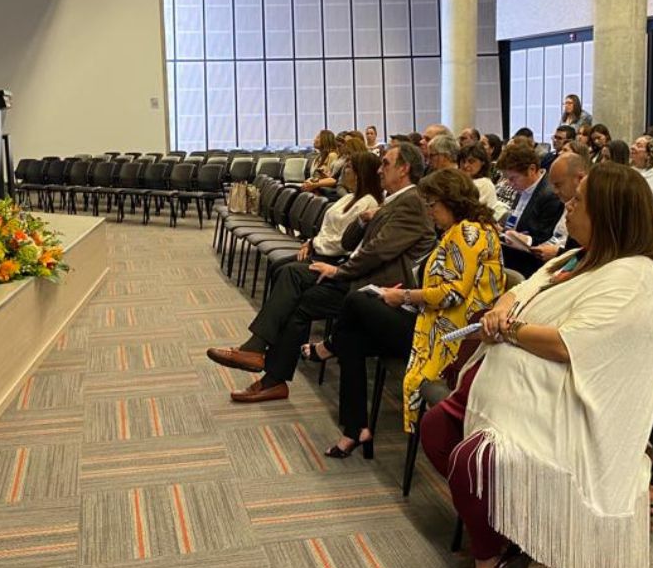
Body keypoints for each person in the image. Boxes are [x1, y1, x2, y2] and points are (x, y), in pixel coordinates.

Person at [420, 163, 653, 568]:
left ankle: (489, 558)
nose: (567, 207)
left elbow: (567, 344)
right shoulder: (577, 258)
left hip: (567, 408)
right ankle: (509, 529)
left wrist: (510, 331)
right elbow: (521, 292)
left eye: (578, 203)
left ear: (609, 216)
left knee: (471, 460)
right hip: (510, 386)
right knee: (438, 430)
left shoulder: (631, 278)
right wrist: (503, 307)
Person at [206, 144, 435, 402]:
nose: (380, 169)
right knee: (293, 281)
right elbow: (350, 243)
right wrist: (362, 221)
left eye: (386, 164)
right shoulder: (392, 200)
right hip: (357, 275)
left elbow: (376, 253)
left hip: (374, 289)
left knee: (295, 286)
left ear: (404, 169)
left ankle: (263, 362)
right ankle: (263, 362)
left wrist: (338, 271)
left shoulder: (410, 203)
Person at [312, 169, 505, 457]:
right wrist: (408, 297)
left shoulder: (468, 233)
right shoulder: (467, 229)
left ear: (452, 202)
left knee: (356, 301)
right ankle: (356, 429)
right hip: (432, 321)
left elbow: (451, 293)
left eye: (433, 205)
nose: (430, 212)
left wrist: (402, 296)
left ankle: (329, 349)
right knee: (351, 338)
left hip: (446, 337)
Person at [297, 152, 382, 261]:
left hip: (332, 259)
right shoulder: (350, 197)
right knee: (279, 266)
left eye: (348, 167)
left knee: (287, 270)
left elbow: (342, 242)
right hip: (320, 250)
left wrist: (313, 244)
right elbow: (328, 231)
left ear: (359, 174)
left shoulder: (368, 202)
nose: (344, 171)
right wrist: (310, 243)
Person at [497, 143, 563, 276]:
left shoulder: (550, 195)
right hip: (512, 251)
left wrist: (522, 238)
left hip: (529, 263)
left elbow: (543, 240)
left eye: (513, 178)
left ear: (532, 169)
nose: (509, 183)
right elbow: (514, 221)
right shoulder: (523, 186)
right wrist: (502, 230)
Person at [522, 151, 588, 272]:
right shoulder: (562, 202)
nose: (555, 191)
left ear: (580, 178)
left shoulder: (589, 213)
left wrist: (558, 254)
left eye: (558, 185)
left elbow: (586, 256)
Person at [458, 143, 506, 219]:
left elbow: (470, 213)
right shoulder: (459, 181)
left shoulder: (484, 184)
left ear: (483, 163)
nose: (465, 165)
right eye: (463, 161)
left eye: (471, 162)